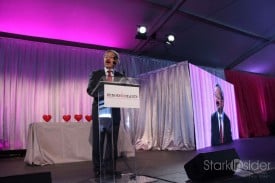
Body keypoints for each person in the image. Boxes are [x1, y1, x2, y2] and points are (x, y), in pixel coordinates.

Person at [87, 50, 123, 178]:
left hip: (114, 113)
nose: (107, 59)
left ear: (116, 61)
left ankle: (110, 169)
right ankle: (98, 169)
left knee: (112, 144)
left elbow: (124, 92)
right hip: (100, 111)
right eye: (105, 57)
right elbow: (90, 90)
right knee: (98, 143)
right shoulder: (96, 74)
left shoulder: (120, 75)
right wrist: (106, 93)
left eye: (111, 57)